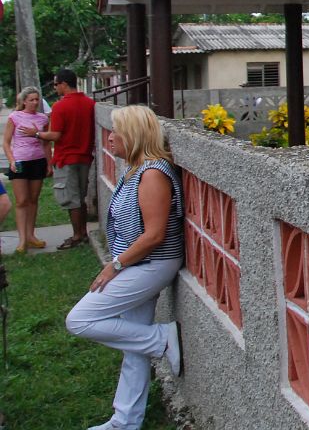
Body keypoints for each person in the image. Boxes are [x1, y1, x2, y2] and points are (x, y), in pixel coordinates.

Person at [66, 104, 184, 430]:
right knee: (133, 347)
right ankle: (125, 422)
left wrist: (114, 265)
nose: (111, 137)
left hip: (152, 264)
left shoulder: (153, 174)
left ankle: (161, 339)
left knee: (80, 319)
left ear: (133, 134)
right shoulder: (135, 170)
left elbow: (155, 234)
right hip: (139, 262)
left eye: (116, 131)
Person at [21, 68, 96, 249]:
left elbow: (55, 135)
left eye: (56, 84)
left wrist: (36, 133)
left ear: (63, 84)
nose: (55, 88)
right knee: (81, 196)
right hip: (85, 157)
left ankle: (77, 235)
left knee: (71, 199)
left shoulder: (60, 106)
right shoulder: (90, 103)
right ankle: (83, 232)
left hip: (66, 158)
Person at [4, 86, 52, 252]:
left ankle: (31, 236)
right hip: (20, 162)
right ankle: (22, 239)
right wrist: (11, 160)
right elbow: (6, 141)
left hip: (37, 161)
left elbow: (46, 142)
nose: (34, 102)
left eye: (37, 99)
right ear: (24, 101)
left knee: (33, 199)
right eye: (31, 99)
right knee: (22, 200)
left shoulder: (43, 119)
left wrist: (49, 163)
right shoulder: (14, 117)